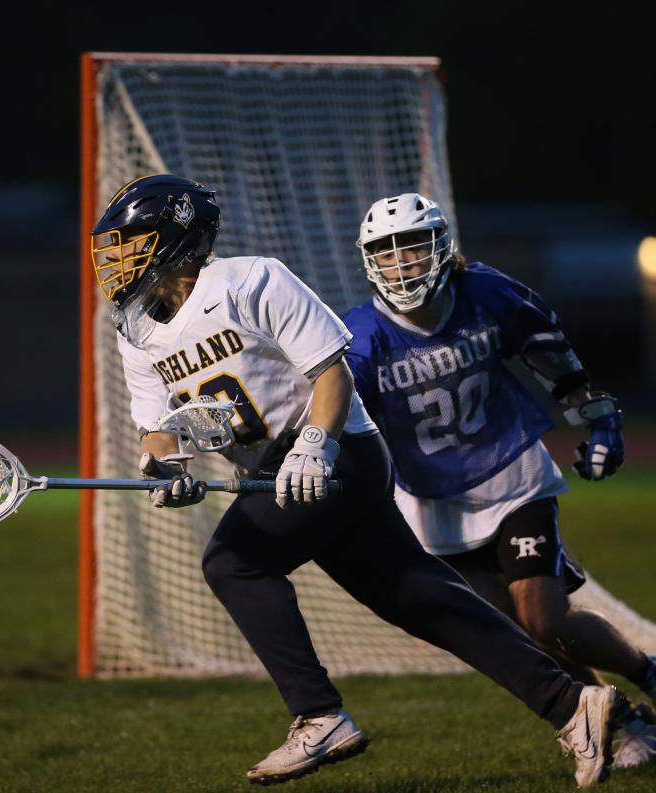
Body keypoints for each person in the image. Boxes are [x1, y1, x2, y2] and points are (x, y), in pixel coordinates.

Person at [92, 174, 626, 788]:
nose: (116, 259)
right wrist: (165, 467)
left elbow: (330, 372)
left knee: (234, 563)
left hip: (338, 449)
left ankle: (318, 716)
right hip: (273, 471)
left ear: (175, 235)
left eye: (129, 242)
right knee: (425, 601)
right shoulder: (135, 329)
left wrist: (316, 445)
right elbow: (159, 427)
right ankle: (569, 704)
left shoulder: (250, 280)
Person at [342, 192, 656, 771]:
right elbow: (343, 418)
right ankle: (625, 717)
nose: (403, 264)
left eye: (413, 248)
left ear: (442, 248)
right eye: (387, 253)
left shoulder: (486, 293)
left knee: (544, 618)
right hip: (433, 506)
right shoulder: (361, 334)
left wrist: (599, 418)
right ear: (369, 261)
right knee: (519, 639)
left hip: (512, 478)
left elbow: (556, 358)